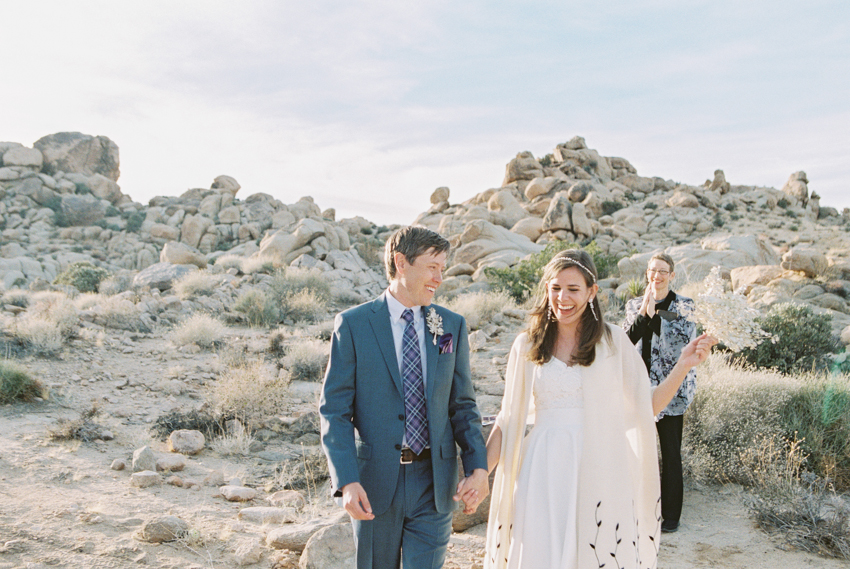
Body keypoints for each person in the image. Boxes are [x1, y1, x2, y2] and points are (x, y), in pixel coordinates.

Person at [484, 250, 714, 569]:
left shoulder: (613, 342)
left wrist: (684, 364)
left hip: (600, 465)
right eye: (555, 288)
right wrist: (480, 472)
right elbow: (507, 419)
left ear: (592, 292)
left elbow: (646, 406)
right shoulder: (527, 344)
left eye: (573, 289)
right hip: (543, 471)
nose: (562, 298)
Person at [320, 226, 489, 569]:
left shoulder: (450, 325)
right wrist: (347, 481)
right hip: (376, 484)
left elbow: (463, 406)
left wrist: (478, 468)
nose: (439, 277)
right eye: (432, 266)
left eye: (442, 268)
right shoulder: (353, 325)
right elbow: (334, 411)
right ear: (401, 262)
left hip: (435, 484)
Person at [623, 252, 696, 534]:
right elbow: (628, 339)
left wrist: (656, 315)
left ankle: (671, 517)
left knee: (670, 453)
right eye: (653, 270)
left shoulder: (685, 306)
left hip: (671, 391)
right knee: (637, 451)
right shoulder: (634, 305)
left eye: (663, 271)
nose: (657, 275)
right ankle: (638, 509)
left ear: (672, 275)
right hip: (639, 388)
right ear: (647, 273)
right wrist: (645, 313)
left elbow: (680, 340)